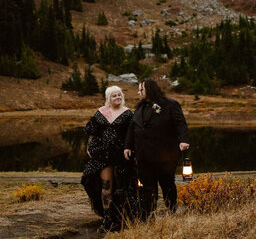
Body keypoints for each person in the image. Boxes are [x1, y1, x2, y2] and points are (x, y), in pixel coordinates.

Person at [123, 78, 190, 219]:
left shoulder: (170, 105)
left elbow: (180, 124)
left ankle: (172, 210)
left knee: (167, 184)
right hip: (143, 155)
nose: (138, 92)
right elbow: (132, 127)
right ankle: (148, 215)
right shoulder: (139, 107)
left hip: (165, 155)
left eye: (141, 89)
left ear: (150, 89)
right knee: (147, 187)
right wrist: (127, 146)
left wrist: (183, 140)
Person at [81, 85, 138, 231]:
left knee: (121, 186)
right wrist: (89, 147)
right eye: (114, 96)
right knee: (106, 186)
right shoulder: (101, 112)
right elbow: (92, 132)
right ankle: (107, 218)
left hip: (121, 156)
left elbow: (132, 135)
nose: (118, 98)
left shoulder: (127, 113)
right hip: (103, 155)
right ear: (108, 98)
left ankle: (121, 217)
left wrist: (133, 150)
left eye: (119, 95)